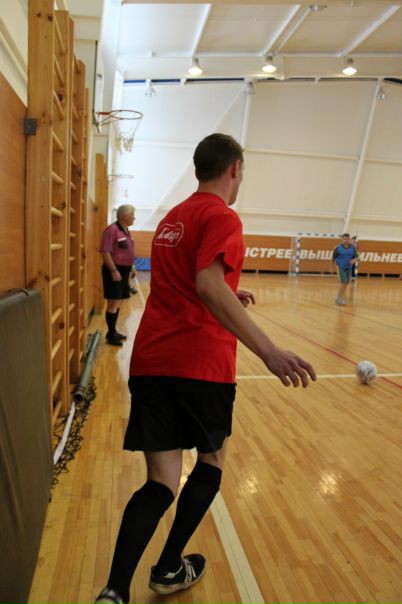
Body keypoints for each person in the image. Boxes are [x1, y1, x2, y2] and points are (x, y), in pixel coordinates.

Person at [95, 133, 316, 604]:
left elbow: (188, 281)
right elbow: (207, 285)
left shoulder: (173, 219)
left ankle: (114, 591)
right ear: (234, 168)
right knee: (211, 464)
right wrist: (269, 351)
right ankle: (168, 567)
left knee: (160, 483)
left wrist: (228, 290)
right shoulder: (223, 216)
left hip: (152, 362)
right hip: (200, 365)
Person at [100, 204, 136, 346]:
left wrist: (132, 266)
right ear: (124, 216)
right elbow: (105, 252)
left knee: (118, 301)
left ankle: (113, 331)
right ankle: (110, 334)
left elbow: (127, 252)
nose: (134, 218)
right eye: (132, 215)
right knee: (113, 303)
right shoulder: (111, 230)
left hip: (125, 270)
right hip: (115, 270)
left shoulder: (126, 231)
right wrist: (113, 270)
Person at [331, 233, 358, 305]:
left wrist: (354, 260)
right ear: (342, 239)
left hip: (349, 268)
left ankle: (339, 298)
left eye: (348, 239)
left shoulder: (353, 247)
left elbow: (357, 257)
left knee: (346, 283)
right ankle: (339, 298)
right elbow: (333, 258)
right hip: (340, 267)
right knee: (343, 282)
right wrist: (331, 267)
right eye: (345, 239)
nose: (346, 240)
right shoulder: (338, 248)